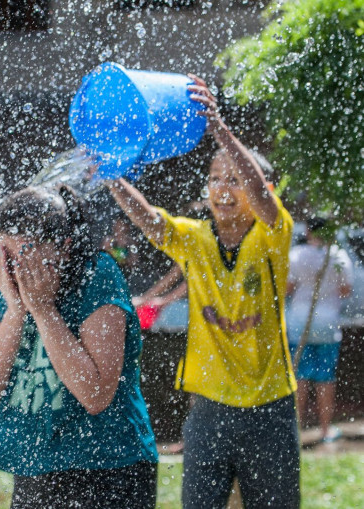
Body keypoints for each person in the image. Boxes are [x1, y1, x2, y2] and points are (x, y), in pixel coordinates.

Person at [107, 75, 299, 508]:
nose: (222, 189)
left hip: (270, 407)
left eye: (234, 180)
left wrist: (218, 129)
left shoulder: (272, 233)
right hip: (208, 408)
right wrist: (111, 173)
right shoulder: (195, 237)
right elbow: (151, 221)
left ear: (259, 191)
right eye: (214, 178)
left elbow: (264, 201)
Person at [0, 185, 158, 508]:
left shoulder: (97, 276)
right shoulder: (9, 287)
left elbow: (95, 394)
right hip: (36, 466)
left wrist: (43, 312)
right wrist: (16, 311)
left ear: (64, 247)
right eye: (4, 253)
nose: (12, 267)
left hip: (108, 468)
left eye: (22, 253)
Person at [287, 217, 353, 443]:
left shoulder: (296, 255)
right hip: (328, 322)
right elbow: (346, 290)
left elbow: (288, 288)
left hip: (299, 322)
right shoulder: (337, 256)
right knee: (325, 378)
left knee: (300, 376)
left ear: (307, 231)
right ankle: (325, 430)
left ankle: (295, 428)